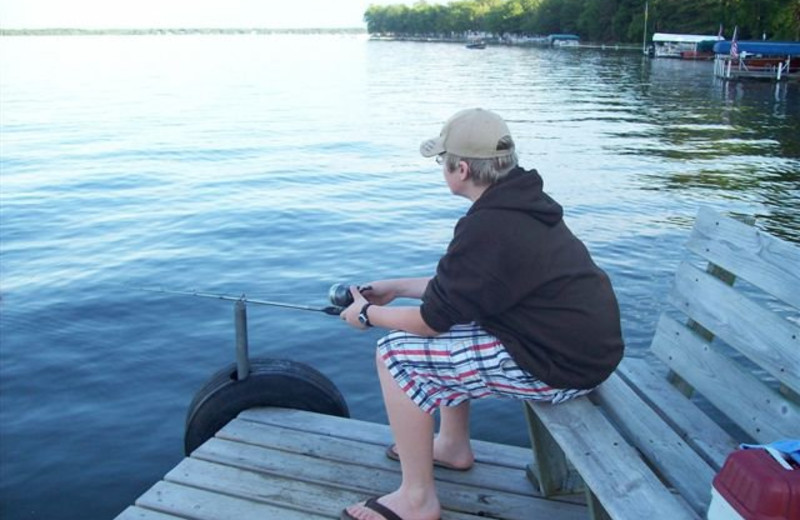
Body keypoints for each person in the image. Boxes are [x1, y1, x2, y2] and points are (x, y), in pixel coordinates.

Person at [339, 108, 624, 520]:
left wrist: (366, 316)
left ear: (463, 169)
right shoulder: (521, 204)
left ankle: (417, 500)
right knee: (460, 321)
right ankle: (452, 446)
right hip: (581, 350)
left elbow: (430, 321)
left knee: (396, 356)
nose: (441, 169)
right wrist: (395, 287)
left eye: (442, 161)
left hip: (560, 366)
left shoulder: (489, 226)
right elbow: (463, 290)